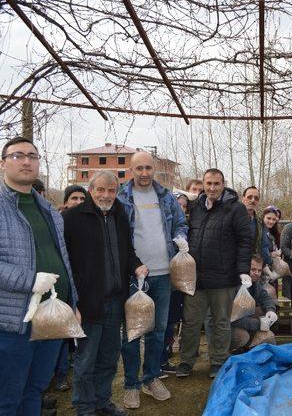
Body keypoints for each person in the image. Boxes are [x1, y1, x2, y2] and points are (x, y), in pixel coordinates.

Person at [0, 137, 78, 415]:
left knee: (34, 391)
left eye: (32, 156)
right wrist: (30, 280)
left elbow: (63, 260)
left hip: (50, 317)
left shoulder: (48, 209)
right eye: (17, 156)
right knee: (4, 400)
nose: (26, 161)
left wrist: (73, 305)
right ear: (3, 164)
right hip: (10, 322)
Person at [64, 170, 148, 416]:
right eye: (100, 189)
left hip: (115, 300)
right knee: (86, 360)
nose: (106, 195)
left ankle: (102, 402)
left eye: (111, 190)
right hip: (88, 303)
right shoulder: (72, 218)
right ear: (91, 190)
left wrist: (136, 265)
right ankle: (84, 407)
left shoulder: (120, 215)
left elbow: (127, 252)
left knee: (109, 358)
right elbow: (65, 262)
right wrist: (72, 301)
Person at [118, 151, 188, 408]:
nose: (144, 173)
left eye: (149, 167)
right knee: (132, 333)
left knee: (159, 330)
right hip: (133, 275)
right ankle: (131, 384)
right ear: (131, 169)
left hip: (163, 273)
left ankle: (150, 378)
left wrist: (181, 239)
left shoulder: (166, 196)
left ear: (154, 168)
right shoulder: (121, 198)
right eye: (140, 168)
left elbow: (180, 224)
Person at [177, 168, 252, 379]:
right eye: (208, 184)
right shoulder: (196, 206)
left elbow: (245, 241)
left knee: (220, 322)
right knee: (191, 322)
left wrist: (242, 270)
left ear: (223, 184)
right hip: (196, 279)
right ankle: (186, 360)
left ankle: (218, 360)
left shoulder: (235, 209)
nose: (212, 188)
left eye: (216, 184)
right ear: (203, 184)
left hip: (223, 278)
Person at [52, 184, 88, 392]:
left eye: (82, 199)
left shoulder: (89, 222)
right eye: (74, 198)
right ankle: (60, 375)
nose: (78, 203)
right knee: (61, 334)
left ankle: (70, 367)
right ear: (66, 201)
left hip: (83, 284)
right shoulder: (59, 222)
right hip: (63, 284)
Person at [160, 192, 190, 376]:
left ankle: (165, 356)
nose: (181, 208)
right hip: (164, 278)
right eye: (178, 205)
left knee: (172, 320)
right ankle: (159, 358)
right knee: (162, 322)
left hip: (181, 282)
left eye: (184, 206)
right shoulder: (166, 227)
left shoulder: (187, 227)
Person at [230, 255, 278, 351]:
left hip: (246, 321)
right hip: (230, 325)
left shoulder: (255, 284)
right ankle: (231, 353)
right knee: (242, 337)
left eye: (259, 270)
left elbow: (265, 298)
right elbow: (233, 318)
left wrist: (271, 311)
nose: (256, 273)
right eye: (253, 269)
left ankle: (250, 347)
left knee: (263, 314)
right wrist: (258, 324)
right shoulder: (235, 286)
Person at [242, 186, 271, 264]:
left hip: (255, 266)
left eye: (256, 198)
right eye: (249, 197)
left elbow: (264, 245)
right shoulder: (233, 218)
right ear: (243, 198)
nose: (253, 200)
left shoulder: (260, 222)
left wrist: (269, 263)